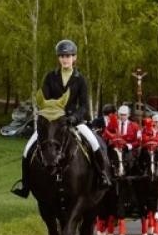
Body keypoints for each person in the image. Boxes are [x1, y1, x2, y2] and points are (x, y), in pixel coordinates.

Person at [12, 39, 114, 197]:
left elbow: (85, 106)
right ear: (58, 58)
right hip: (53, 123)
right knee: (27, 150)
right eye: (62, 56)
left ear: (74, 58)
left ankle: (102, 176)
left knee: (94, 144)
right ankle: (26, 185)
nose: (65, 59)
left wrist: (74, 117)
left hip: (74, 122)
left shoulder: (80, 79)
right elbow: (44, 100)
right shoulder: (50, 77)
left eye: (68, 56)